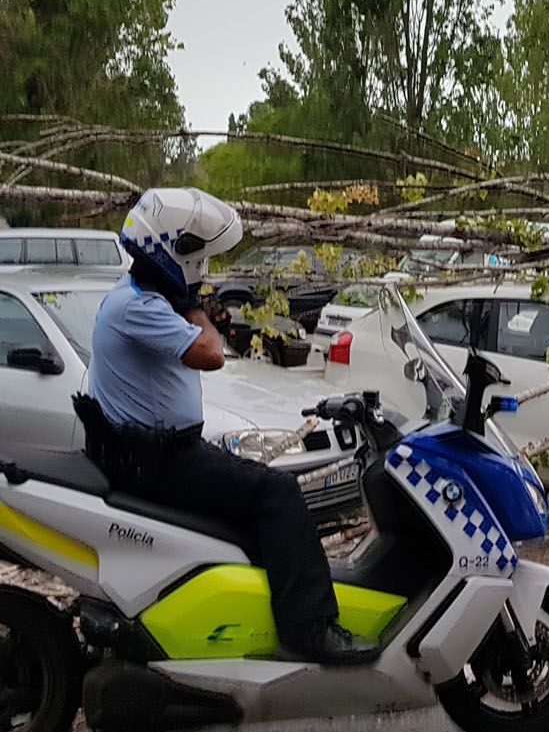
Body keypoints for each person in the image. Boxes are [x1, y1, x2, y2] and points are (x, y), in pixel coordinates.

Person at [81, 187, 374, 666]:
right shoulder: (140, 307)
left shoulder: (137, 296)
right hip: (157, 461)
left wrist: (192, 308)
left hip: (154, 452)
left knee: (253, 504)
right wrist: (196, 308)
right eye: (198, 257)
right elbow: (211, 354)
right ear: (173, 251)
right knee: (279, 493)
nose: (204, 269)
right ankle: (309, 629)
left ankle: (254, 613)